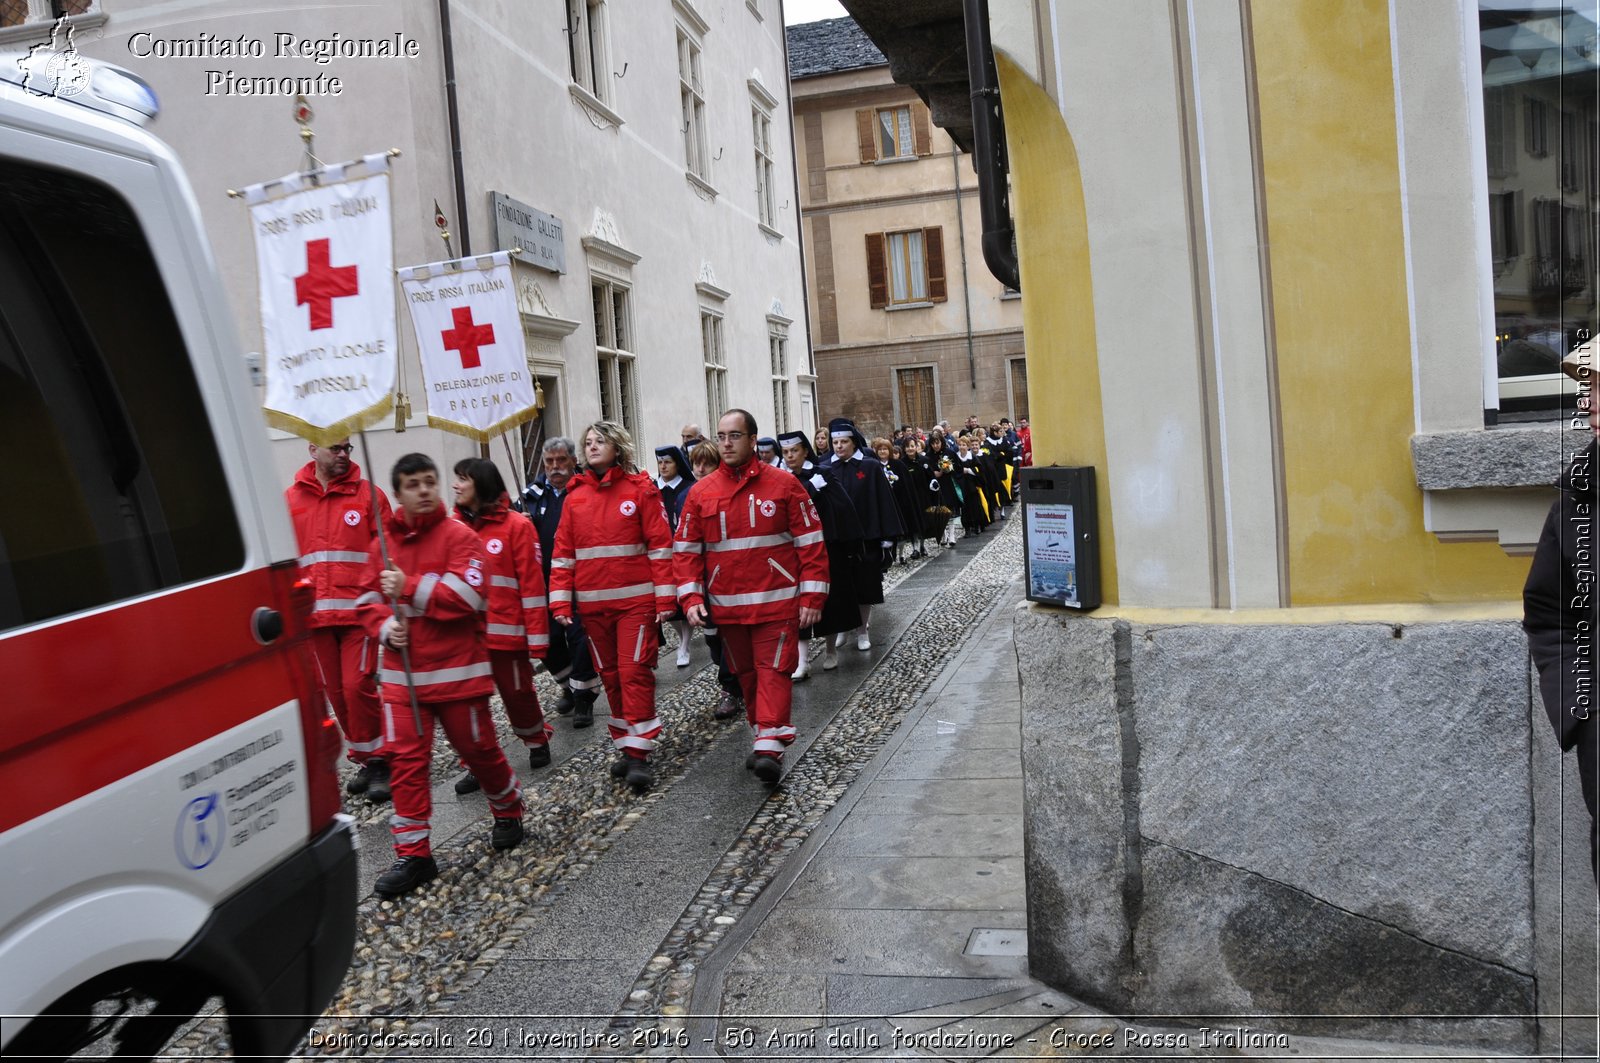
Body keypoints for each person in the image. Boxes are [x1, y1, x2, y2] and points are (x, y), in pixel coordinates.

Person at [357, 453, 525, 898]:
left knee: (480, 750)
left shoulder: (459, 536)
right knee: (407, 764)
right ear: (398, 493)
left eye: (431, 481)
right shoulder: (381, 548)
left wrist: (408, 586)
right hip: (402, 678)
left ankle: (508, 808)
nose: (425, 490)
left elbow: (467, 596)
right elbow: (367, 601)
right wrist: (383, 626)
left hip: (457, 674)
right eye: (414, 484)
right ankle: (414, 854)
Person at [676, 410, 829, 783]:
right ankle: (765, 736)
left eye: (735, 436)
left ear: (752, 440)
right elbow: (685, 551)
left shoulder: (785, 485)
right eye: (721, 436)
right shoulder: (700, 493)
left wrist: (811, 597)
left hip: (777, 604)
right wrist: (690, 598)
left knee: (773, 670)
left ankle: (769, 748)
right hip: (727, 609)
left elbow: (811, 544)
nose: (726, 443)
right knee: (746, 676)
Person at [550, 422, 676, 793]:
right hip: (593, 608)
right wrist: (560, 600)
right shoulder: (574, 497)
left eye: (599, 441)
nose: (591, 447)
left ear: (617, 447)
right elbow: (563, 555)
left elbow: (660, 547)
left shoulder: (640, 491)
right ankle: (628, 745)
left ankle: (639, 753)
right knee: (611, 677)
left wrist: (666, 598)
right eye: (587, 442)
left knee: (634, 671)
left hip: (635, 604)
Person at [1524, 343, 1600, 883]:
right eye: (1590, 389)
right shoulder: (1576, 501)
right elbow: (1550, 615)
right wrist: (1579, 708)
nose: (1591, 403)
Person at [286, 437, 394, 803]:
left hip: (359, 614)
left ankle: (381, 760)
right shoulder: (291, 500)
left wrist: (387, 607)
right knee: (335, 694)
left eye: (348, 447)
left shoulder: (369, 496)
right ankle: (364, 756)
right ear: (313, 449)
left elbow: (388, 552)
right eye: (336, 447)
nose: (345, 454)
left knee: (356, 685)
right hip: (315, 617)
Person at [449, 459, 553, 797]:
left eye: (462, 479)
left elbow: (532, 586)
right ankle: (476, 764)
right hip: (466, 638)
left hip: (507, 636)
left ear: (480, 483)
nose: (456, 486)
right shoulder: (452, 529)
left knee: (518, 695)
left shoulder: (517, 526)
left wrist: (537, 639)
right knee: (469, 707)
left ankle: (536, 739)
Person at [525, 437, 603, 728]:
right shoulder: (531, 496)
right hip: (545, 582)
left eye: (560, 461)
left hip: (583, 580)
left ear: (573, 461)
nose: (555, 467)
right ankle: (569, 685)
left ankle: (584, 699)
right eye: (549, 462)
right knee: (548, 641)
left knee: (580, 641)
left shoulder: (586, 489)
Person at [779, 430, 863, 679]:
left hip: (825, 546)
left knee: (829, 602)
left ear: (805, 450)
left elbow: (842, 507)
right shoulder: (782, 479)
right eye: (785, 452)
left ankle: (829, 650)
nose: (790, 456)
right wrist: (808, 490)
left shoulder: (823, 474)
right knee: (797, 604)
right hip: (794, 549)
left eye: (794, 451)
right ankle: (802, 661)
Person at [823, 417, 905, 650]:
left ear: (854, 443)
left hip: (866, 537)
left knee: (864, 586)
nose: (838, 446)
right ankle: (842, 628)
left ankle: (861, 631)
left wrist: (887, 535)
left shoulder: (869, 466)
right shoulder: (826, 467)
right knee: (839, 588)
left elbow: (883, 500)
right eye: (835, 442)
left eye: (843, 442)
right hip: (837, 538)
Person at [687, 441, 747, 720]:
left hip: (728, 579)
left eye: (706, 464)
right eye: (695, 463)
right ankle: (734, 676)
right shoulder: (689, 496)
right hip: (703, 582)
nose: (700, 469)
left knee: (728, 638)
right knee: (713, 640)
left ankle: (731, 688)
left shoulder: (727, 494)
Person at [655, 444, 697, 667]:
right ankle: (682, 639)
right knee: (666, 601)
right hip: (659, 552)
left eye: (668, 462)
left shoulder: (688, 487)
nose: (663, 466)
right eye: (660, 462)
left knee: (682, 598)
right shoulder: (652, 488)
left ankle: (684, 645)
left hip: (681, 549)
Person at [874, 436, 924, 563]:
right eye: (880, 449)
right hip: (884, 503)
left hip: (900, 502)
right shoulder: (874, 466)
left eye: (885, 449)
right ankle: (889, 554)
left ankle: (902, 553)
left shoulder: (898, 464)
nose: (882, 452)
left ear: (889, 450)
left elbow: (906, 484)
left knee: (902, 529)